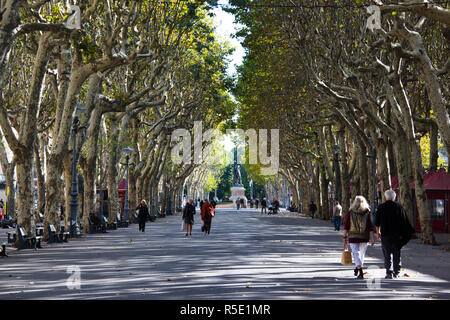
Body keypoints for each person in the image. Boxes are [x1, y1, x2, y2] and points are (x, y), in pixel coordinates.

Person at [375, 190, 415, 279]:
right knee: (397, 253)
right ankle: (396, 271)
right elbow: (404, 221)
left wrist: (378, 233)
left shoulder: (381, 207)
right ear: (394, 197)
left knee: (386, 253)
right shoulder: (399, 207)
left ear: (385, 197)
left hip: (385, 234)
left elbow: (377, 223)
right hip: (397, 235)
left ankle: (388, 271)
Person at [343, 196, 375, 279]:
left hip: (353, 235)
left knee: (355, 253)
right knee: (361, 254)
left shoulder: (350, 212)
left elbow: (346, 225)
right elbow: (370, 226)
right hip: (364, 236)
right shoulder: (367, 212)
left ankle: (359, 269)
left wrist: (344, 235)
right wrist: (372, 238)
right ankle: (359, 268)